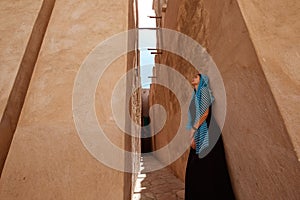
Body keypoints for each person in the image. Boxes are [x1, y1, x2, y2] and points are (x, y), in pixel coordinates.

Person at [185, 73, 235, 200]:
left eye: (196, 76)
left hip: (207, 130)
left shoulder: (204, 91)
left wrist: (194, 130)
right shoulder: (195, 95)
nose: (193, 77)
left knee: (206, 166)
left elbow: (205, 113)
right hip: (200, 129)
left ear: (202, 80)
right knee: (196, 168)